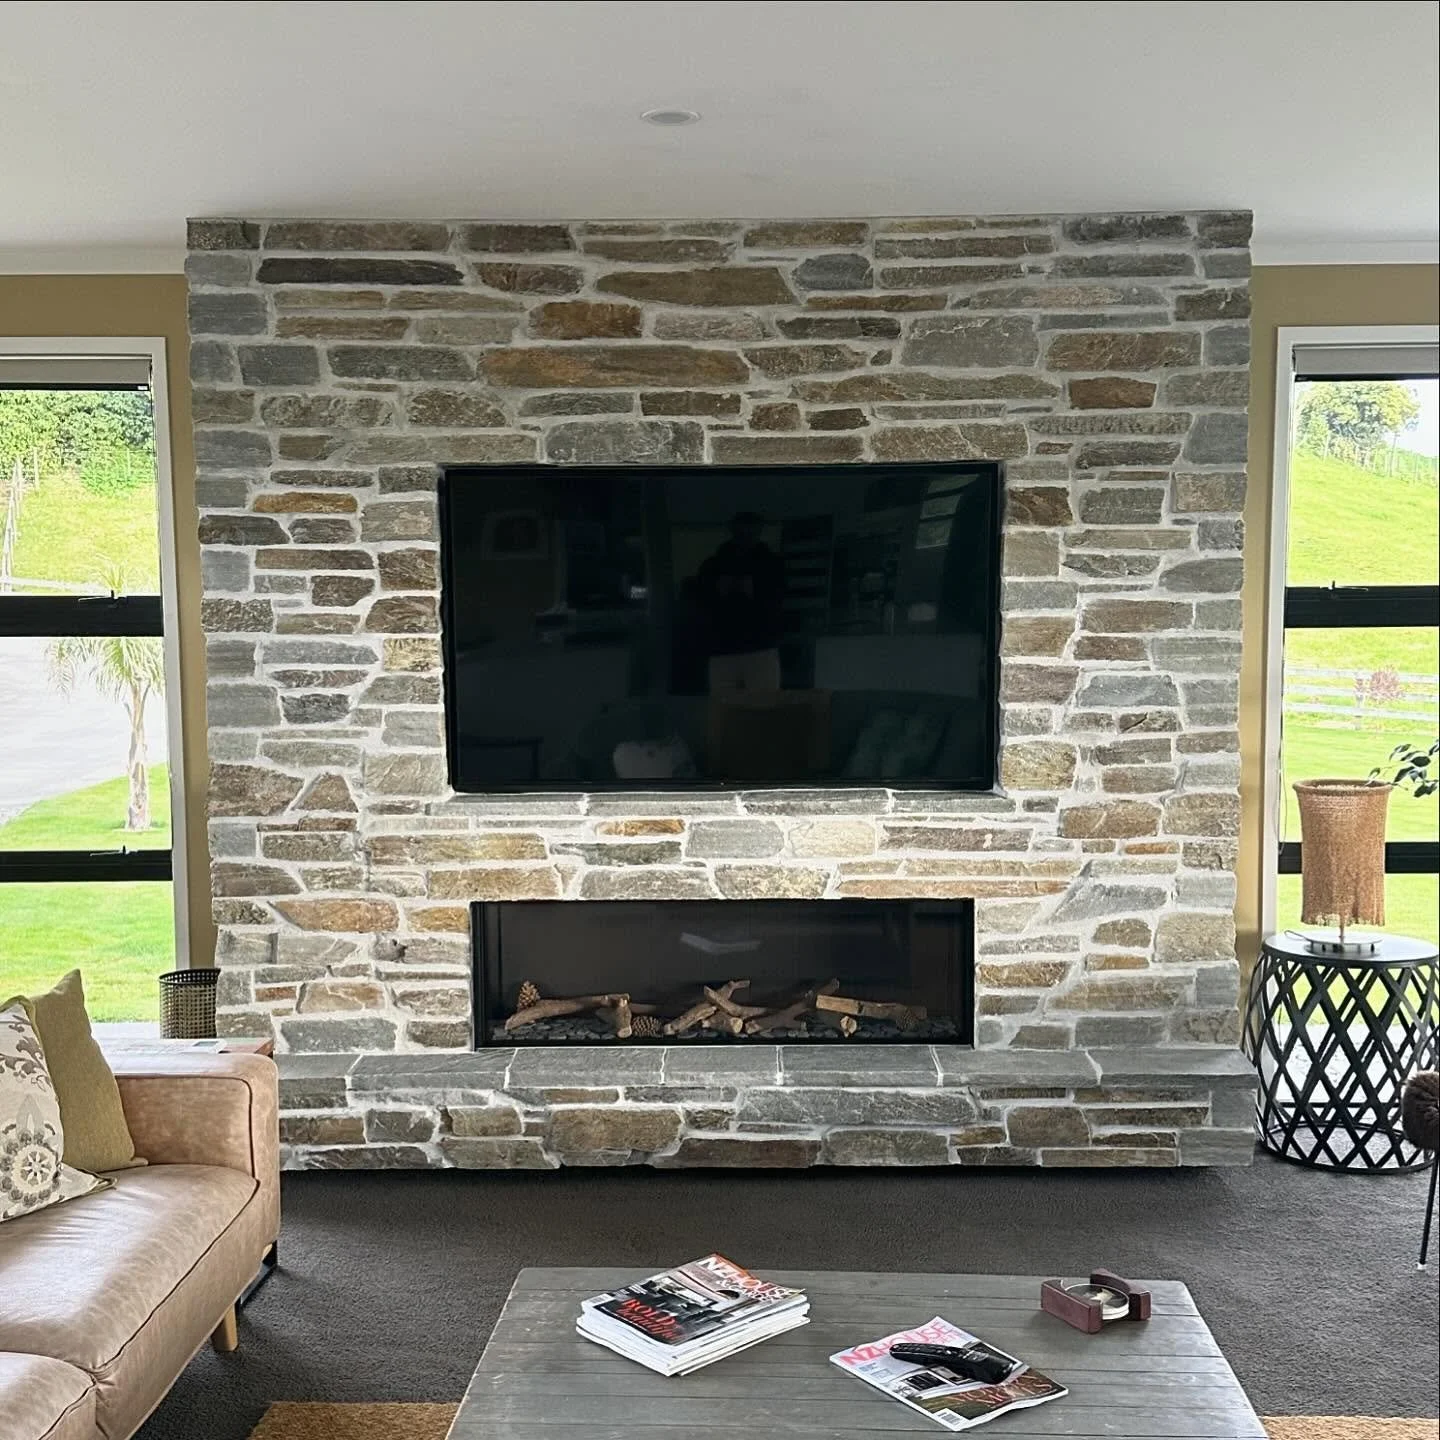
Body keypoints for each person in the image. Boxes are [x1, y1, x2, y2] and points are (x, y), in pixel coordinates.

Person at [694, 511, 784, 692]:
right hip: (747, 648)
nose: (746, 533)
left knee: (734, 710)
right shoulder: (772, 564)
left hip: (744, 648)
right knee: (754, 709)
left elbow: (777, 599)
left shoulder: (713, 565)